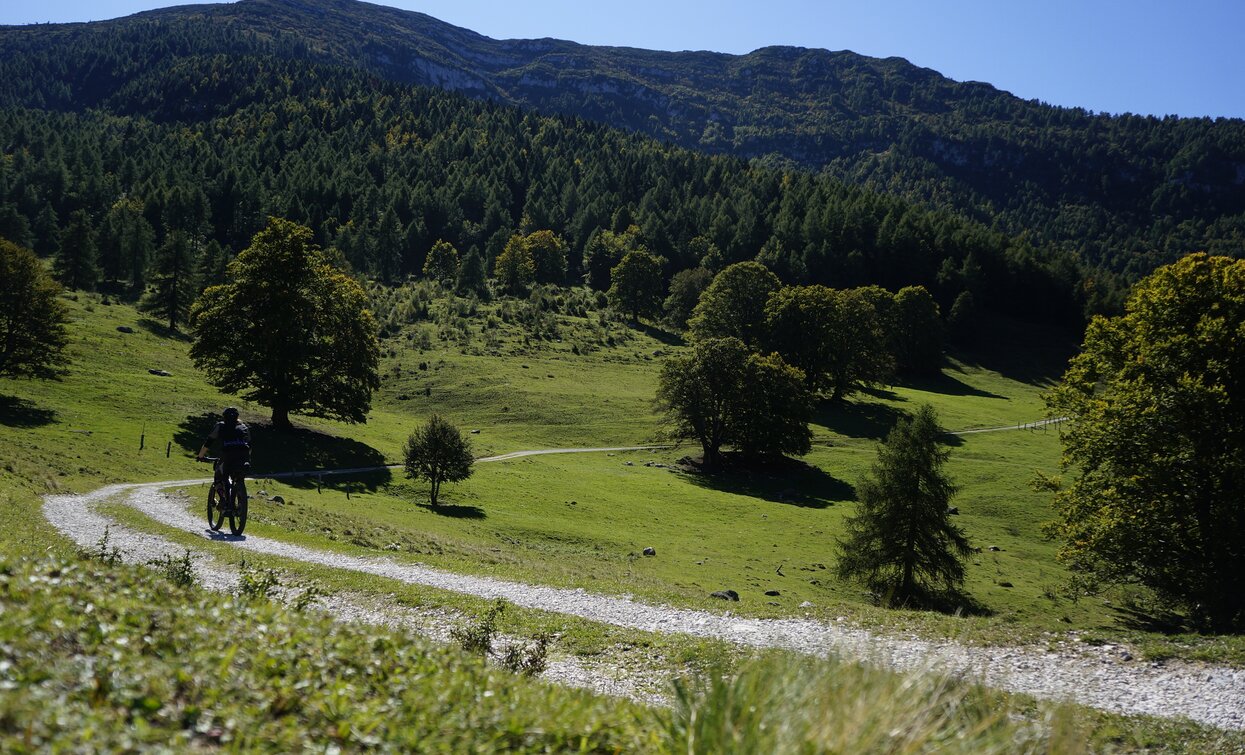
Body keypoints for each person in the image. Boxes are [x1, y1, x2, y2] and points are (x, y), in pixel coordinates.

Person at [197, 406, 251, 509]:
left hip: (227, 456)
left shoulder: (220, 426)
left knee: (219, 476)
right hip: (243, 457)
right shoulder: (244, 427)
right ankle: (240, 501)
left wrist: (200, 456)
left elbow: (209, 442)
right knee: (239, 476)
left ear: (224, 417)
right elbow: (250, 445)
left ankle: (223, 500)